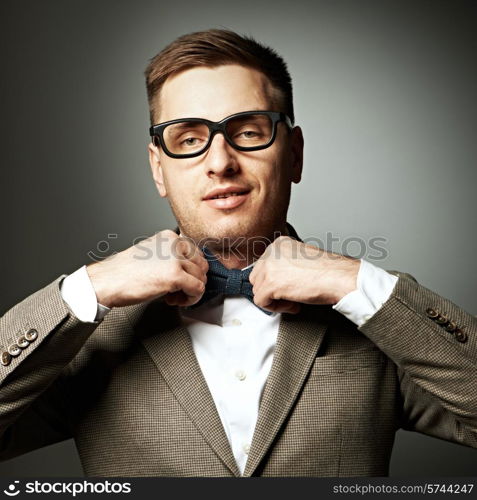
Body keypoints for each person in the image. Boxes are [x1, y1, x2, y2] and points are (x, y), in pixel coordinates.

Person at [0, 29, 475, 478]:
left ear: (294, 155)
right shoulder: (89, 330)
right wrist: (87, 290)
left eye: (248, 132)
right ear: (158, 169)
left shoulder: (383, 315)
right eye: (188, 138)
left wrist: (360, 286)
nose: (220, 162)